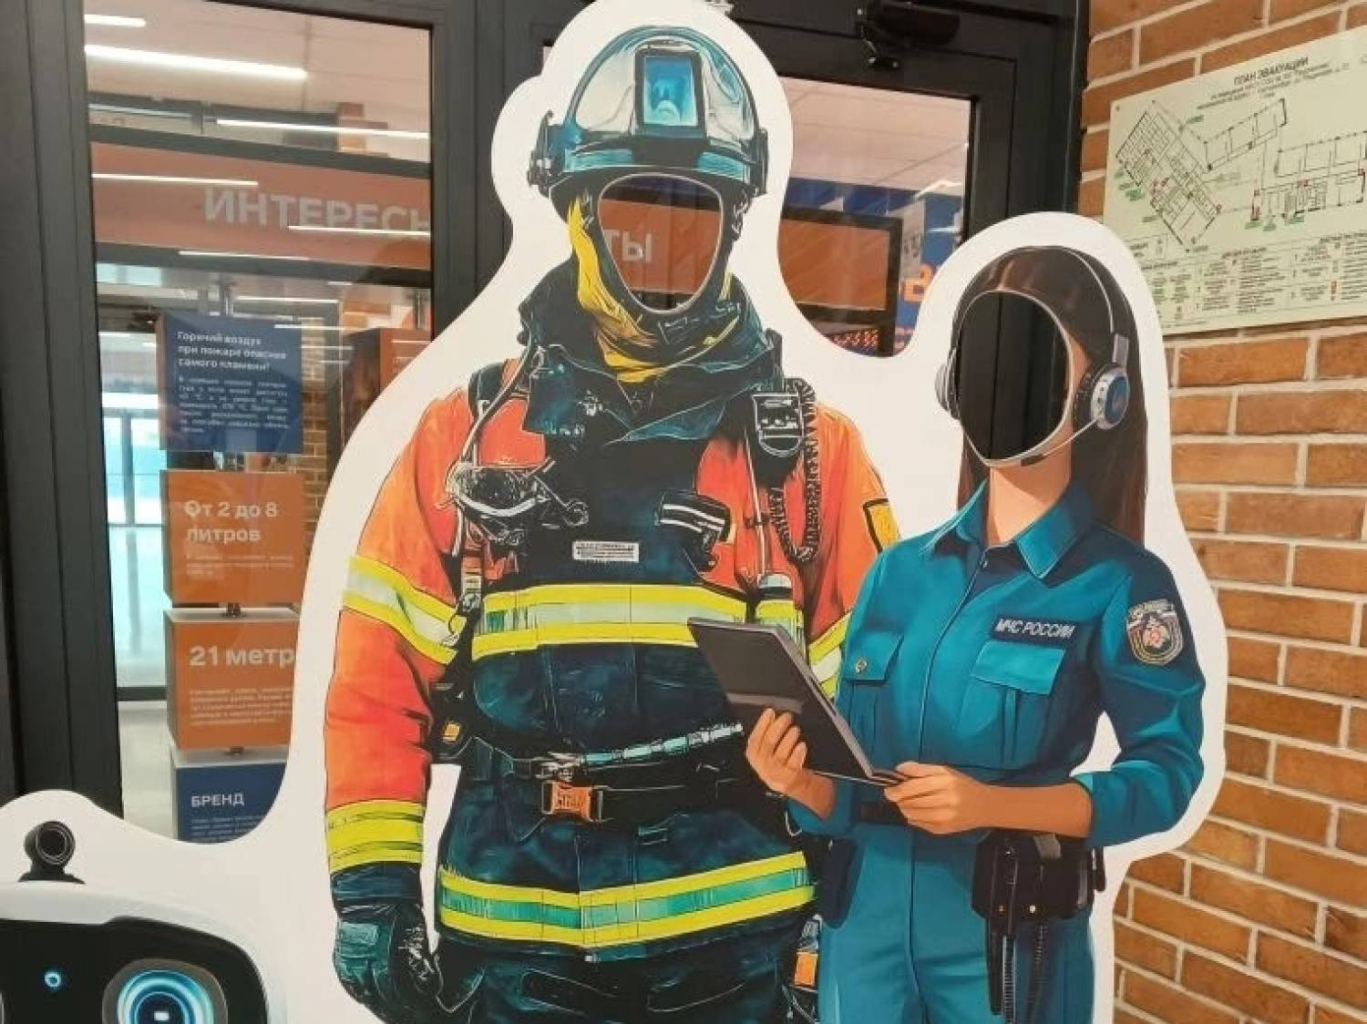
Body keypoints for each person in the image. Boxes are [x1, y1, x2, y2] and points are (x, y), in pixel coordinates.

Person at [322, 25, 893, 1024]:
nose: (661, 248)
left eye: (693, 215)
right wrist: (372, 894)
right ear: (574, 213)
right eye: (631, 212)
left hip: (738, 938)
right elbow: (378, 680)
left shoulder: (812, 455)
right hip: (515, 939)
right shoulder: (466, 435)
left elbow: (876, 704)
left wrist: (862, 896)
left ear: (734, 224)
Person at [747, 245, 1205, 1024]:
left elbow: (1164, 776)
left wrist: (996, 804)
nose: (1001, 385)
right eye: (984, 360)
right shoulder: (898, 573)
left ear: (1102, 391)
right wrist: (798, 782)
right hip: (864, 929)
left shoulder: (1121, 585)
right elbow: (853, 786)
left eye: (1029, 359)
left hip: (1004, 938)